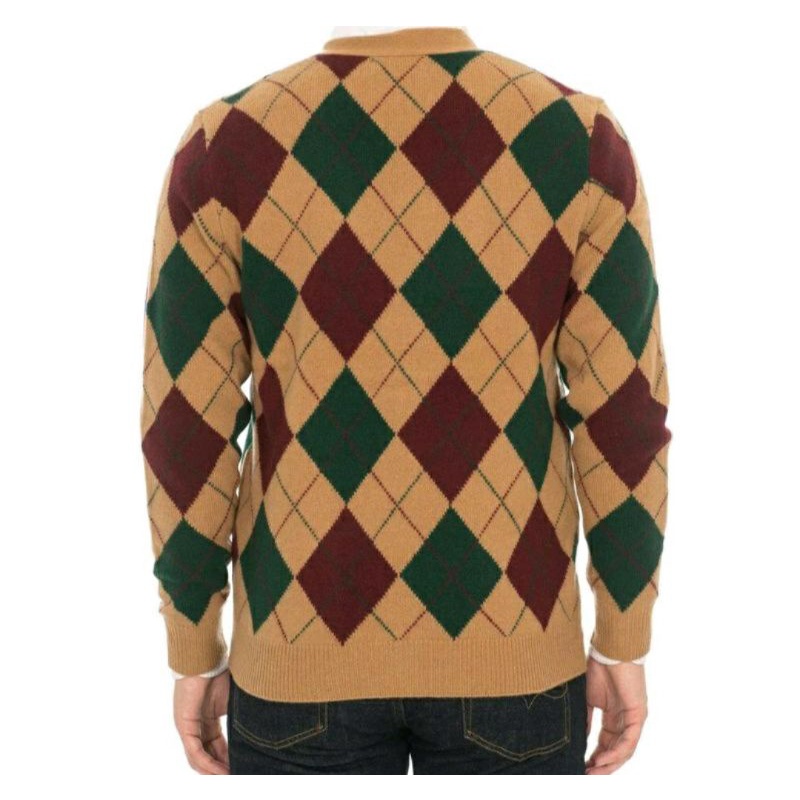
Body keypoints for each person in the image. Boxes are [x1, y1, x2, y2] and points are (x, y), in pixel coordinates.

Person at [140, 25, 672, 775]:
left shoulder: (226, 146)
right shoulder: (576, 138)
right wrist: (621, 636)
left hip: (297, 656)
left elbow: (183, 428)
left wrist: (194, 644)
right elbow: (625, 416)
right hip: (516, 655)